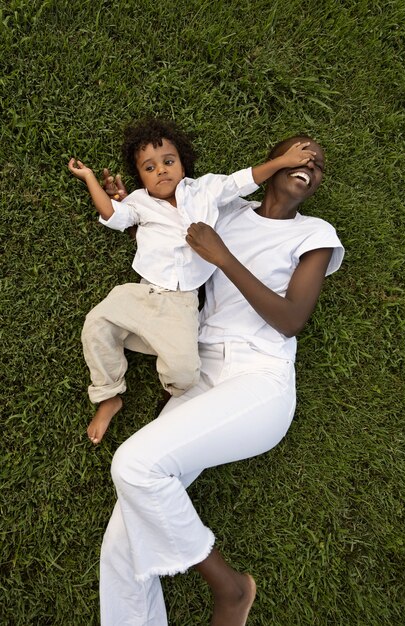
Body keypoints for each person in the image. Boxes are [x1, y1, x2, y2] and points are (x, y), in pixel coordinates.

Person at [98, 134, 344, 625]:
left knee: (134, 465)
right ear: (274, 162)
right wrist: (131, 207)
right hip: (202, 370)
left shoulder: (315, 232)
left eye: (317, 164)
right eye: (301, 153)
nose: (309, 163)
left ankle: (228, 588)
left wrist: (224, 258)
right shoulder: (225, 211)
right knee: (122, 540)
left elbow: (293, 318)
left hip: (259, 381)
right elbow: (170, 246)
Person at [68, 118, 317, 444]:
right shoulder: (139, 203)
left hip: (182, 304)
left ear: (183, 164)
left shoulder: (206, 190)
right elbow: (114, 216)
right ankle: (108, 395)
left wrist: (283, 162)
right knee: (96, 325)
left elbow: (244, 181)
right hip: (141, 293)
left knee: (185, 376)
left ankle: (165, 354)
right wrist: (90, 179)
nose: (161, 170)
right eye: (149, 167)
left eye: (168, 162)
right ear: (141, 177)